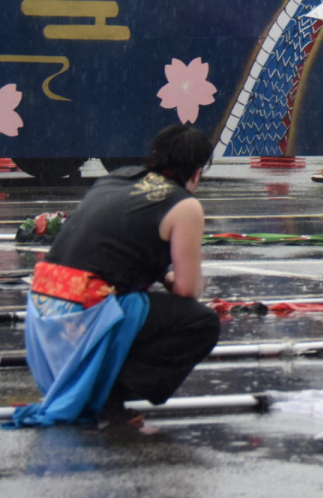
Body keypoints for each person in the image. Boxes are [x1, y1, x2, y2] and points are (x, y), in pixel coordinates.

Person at [6, 126, 220, 428]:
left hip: (43, 307)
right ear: (197, 172)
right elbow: (187, 290)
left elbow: (104, 251)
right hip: (86, 310)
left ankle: (96, 386)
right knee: (200, 321)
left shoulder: (113, 180)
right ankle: (107, 395)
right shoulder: (184, 204)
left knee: (142, 304)